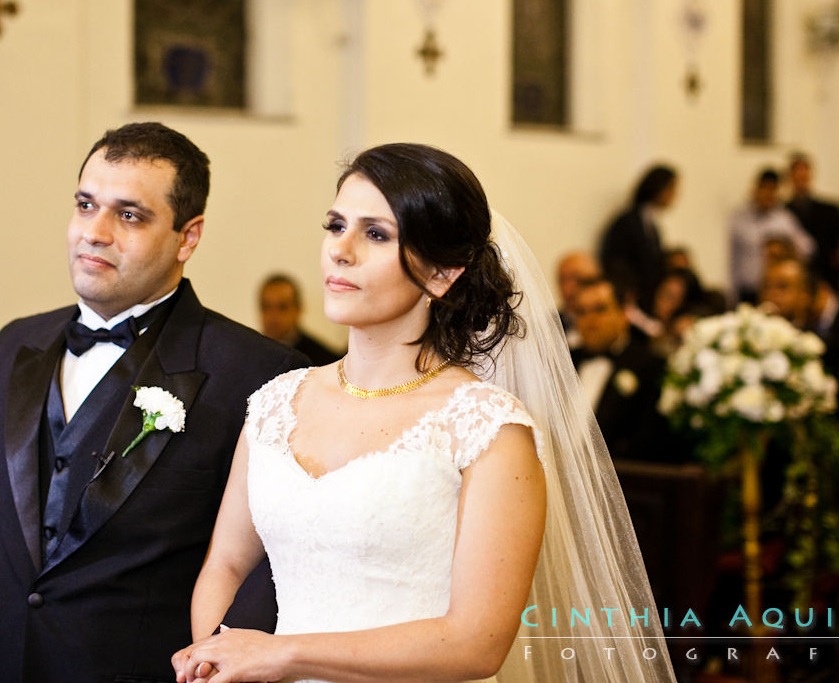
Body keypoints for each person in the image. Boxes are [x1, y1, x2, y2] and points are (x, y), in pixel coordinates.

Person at [172, 143, 675, 683]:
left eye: (376, 234)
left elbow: (477, 643)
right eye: (336, 224)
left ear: (441, 275)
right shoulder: (275, 403)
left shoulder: (487, 429)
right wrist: (213, 655)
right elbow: (225, 563)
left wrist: (283, 653)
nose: (340, 250)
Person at [0, 123, 307, 682]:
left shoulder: (258, 375)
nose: (96, 232)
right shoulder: (13, 347)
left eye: (129, 215)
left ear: (188, 237)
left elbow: (273, 573)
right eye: (86, 206)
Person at [569, 278, 677, 461]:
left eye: (600, 309)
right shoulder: (564, 361)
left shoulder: (650, 366)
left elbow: (649, 441)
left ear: (623, 314)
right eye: (581, 312)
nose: (590, 320)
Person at [599, 164, 678, 311]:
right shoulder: (628, 222)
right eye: (672, 189)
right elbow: (617, 261)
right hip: (632, 299)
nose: (675, 195)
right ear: (659, 188)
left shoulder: (650, 222)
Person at [729, 168, 814, 303]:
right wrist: (731, 292)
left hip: (774, 290)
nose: (767, 194)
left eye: (772, 189)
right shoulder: (740, 219)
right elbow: (733, 260)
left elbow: (808, 248)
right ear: (756, 188)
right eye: (764, 188)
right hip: (747, 290)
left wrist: (785, 253)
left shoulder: (784, 219)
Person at [785, 153, 839, 287]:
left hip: (827, 274)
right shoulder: (782, 212)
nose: (801, 178)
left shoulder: (830, 210)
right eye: (797, 174)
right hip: (797, 275)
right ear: (790, 177)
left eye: (804, 174)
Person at [257, 273, 341, 365]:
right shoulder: (251, 353)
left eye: (282, 307)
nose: (273, 316)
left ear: (298, 309)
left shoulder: (322, 360)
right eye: (266, 307)